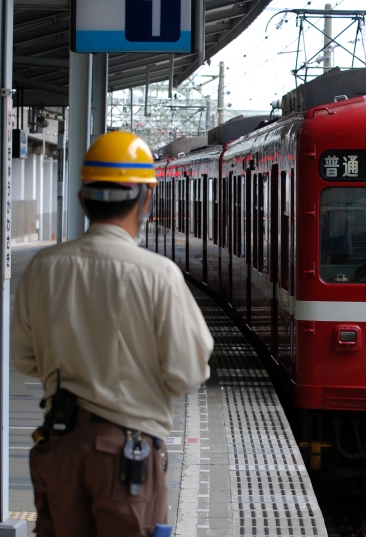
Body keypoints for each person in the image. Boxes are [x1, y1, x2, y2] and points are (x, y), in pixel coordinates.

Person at [11, 131, 214, 537]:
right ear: (144, 200)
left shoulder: (43, 268)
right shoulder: (159, 276)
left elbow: (24, 359)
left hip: (60, 446)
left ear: (83, 199)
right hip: (129, 456)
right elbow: (188, 372)